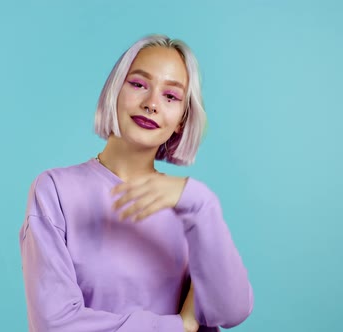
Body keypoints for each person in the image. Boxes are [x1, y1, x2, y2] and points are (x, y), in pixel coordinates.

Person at [19, 34, 254, 332]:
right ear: (115, 90)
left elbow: (231, 312)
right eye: (139, 84)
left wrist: (201, 202)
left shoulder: (190, 205)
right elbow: (54, 325)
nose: (152, 103)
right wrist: (179, 326)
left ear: (182, 119)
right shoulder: (54, 191)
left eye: (171, 96)